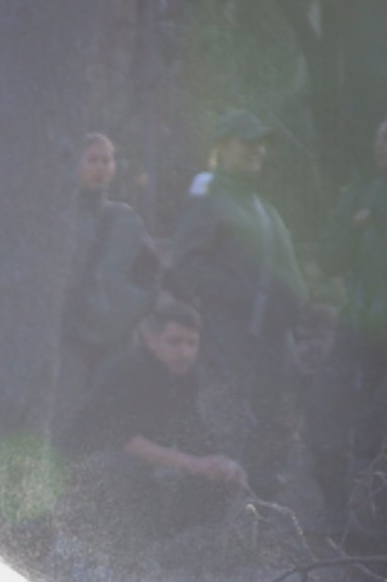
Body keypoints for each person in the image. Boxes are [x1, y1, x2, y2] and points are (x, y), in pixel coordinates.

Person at [169, 110, 308, 498]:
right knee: (228, 429)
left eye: (260, 143)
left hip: (271, 340)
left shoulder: (262, 207)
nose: (257, 151)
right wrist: (244, 298)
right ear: (222, 148)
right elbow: (186, 264)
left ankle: (259, 517)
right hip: (228, 340)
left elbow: (287, 271)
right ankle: (220, 526)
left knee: (272, 426)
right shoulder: (210, 201)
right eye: (247, 142)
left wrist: (296, 303)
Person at [64, 297, 248, 553]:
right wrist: (193, 463)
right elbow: (122, 439)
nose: (184, 352)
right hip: (84, 466)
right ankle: (109, 548)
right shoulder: (129, 370)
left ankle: (159, 547)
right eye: (175, 342)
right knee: (128, 470)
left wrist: (221, 464)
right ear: (152, 341)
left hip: (138, 464)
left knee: (215, 481)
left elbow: (194, 436)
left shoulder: (185, 380)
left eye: (191, 343)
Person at [312, 117, 387, 541]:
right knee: (332, 416)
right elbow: (329, 260)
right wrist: (352, 227)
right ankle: (340, 516)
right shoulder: (359, 195)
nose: (385, 148)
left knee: (375, 429)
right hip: (359, 331)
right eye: (381, 139)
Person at [57, 132, 160, 430]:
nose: (100, 167)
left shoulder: (127, 220)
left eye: (107, 160)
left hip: (116, 339)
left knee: (116, 419)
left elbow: (150, 273)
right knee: (66, 415)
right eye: (92, 160)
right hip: (70, 337)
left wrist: (135, 308)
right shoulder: (57, 217)